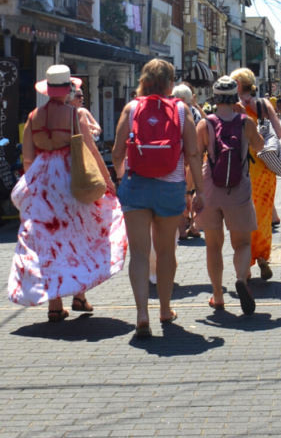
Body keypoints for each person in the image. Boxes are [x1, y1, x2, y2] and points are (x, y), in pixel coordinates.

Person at [8, 66, 126, 321]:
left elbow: (28, 158)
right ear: (67, 89)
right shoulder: (75, 115)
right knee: (78, 237)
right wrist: (107, 180)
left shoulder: (33, 117)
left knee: (51, 243)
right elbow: (91, 151)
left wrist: (35, 184)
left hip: (42, 182)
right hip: (71, 179)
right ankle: (80, 296)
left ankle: (54, 304)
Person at [112, 59, 204, 338]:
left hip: (136, 186)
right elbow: (192, 153)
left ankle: (142, 314)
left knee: (139, 253)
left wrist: (122, 177)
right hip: (170, 187)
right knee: (166, 252)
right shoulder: (180, 108)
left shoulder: (132, 108)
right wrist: (199, 189)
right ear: (169, 83)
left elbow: (117, 152)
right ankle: (165, 309)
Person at [195, 78, 264, 315]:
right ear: (235, 98)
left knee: (213, 246)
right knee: (242, 244)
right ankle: (241, 280)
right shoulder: (246, 122)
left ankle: (217, 296)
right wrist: (248, 118)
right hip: (239, 190)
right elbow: (260, 146)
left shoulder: (205, 124)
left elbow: (194, 158)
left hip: (210, 190)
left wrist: (193, 191)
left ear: (214, 98)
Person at [230, 68, 281, 280]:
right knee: (262, 215)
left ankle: (246, 265)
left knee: (243, 216)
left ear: (238, 85)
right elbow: (278, 134)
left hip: (242, 166)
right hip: (264, 166)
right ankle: (262, 256)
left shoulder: (234, 107)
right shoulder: (263, 104)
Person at [172, 84, 204, 241]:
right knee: (196, 193)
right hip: (197, 157)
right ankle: (194, 226)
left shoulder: (178, 112)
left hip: (182, 159)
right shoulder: (196, 111)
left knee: (183, 195)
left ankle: (182, 231)